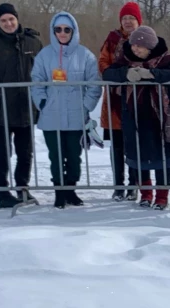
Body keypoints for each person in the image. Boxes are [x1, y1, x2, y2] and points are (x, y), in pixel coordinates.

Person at [103, 26, 170, 211]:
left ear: (149, 46)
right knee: (138, 156)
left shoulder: (165, 59)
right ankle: (146, 194)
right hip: (133, 116)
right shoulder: (125, 59)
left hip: (160, 117)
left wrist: (151, 74)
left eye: (140, 46)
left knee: (162, 157)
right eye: (133, 45)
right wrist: (126, 74)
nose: (135, 49)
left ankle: (162, 196)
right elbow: (108, 73)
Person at [31, 11, 101, 209]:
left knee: (74, 156)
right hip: (50, 115)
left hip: (75, 116)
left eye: (66, 29)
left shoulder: (85, 55)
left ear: (73, 31)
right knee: (55, 156)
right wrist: (42, 103)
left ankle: (70, 189)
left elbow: (94, 85)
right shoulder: (44, 55)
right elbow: (36, 82)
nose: (62, 33)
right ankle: (59, 193)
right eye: (58, 29)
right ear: (53, 31)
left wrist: (85, 107)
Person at [0, 3, 42, 208]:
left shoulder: (33, 41)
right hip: (1, 109)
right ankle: (2, 193)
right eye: (3, 20)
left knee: (25, 151)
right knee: (2, 152)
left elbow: (42, 72)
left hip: (26, 108)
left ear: (17, 19)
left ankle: (22, 189)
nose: (8, 23)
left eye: (11, 19)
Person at [99, 1, 142, 202]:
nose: (127, 22)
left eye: (131, 18)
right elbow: (103, 64)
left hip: (138, 99)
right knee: (117, 146)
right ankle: (118, 186)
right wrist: (122, 74)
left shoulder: (145, 38)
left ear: (138, 21)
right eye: (124, 18)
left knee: (134, 145)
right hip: (115, 101)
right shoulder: (112, 39)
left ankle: (134, 185)